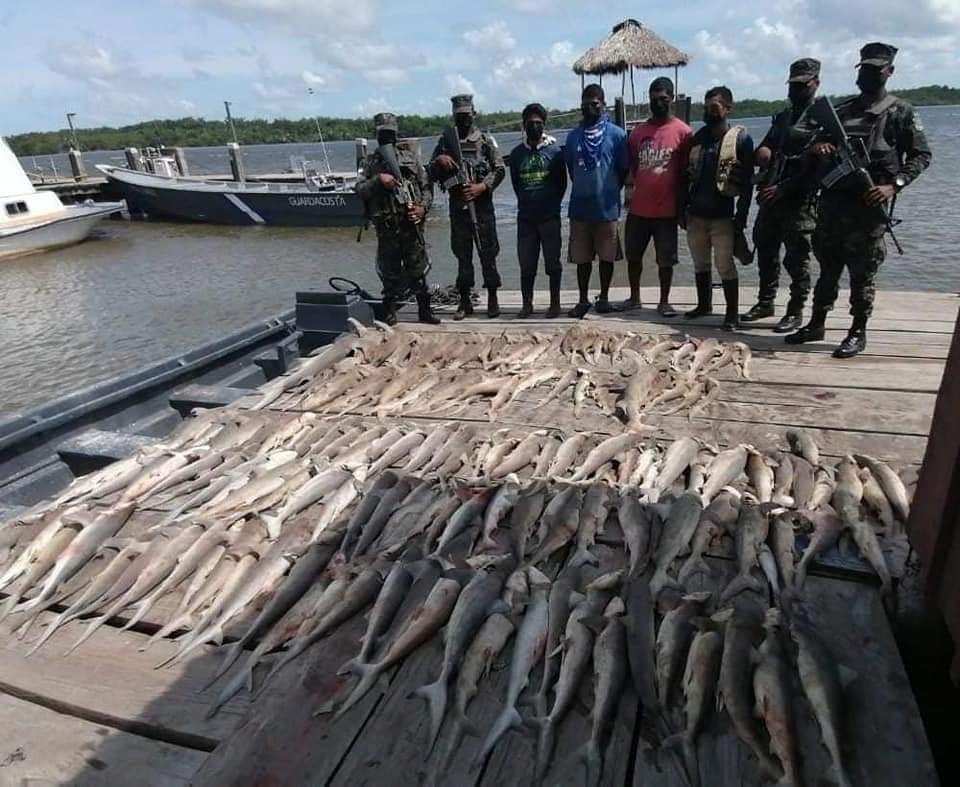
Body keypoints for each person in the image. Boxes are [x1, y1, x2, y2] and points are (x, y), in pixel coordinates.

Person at [786, 43, 932, 357]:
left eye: (874, 69)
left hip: (868, 208)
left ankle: (857, 331)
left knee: (862, 275)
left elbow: (921, 155)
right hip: (832, 206)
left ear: (889, 72)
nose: (867, 74)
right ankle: (816, 323)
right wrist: (820, 147)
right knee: (827, 270)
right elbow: (806, 139)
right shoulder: (841, 110)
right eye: (863, 68)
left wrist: (894, 185)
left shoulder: (900, 112)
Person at [742, 58, 822, 333]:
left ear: (816, 84)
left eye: (802, 85)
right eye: (793, 85)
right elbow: (767, 146)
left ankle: (796, 310)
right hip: (771, 195)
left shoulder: (823, 120)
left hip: (799, 199)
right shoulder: (784, 116)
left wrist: (784, 188)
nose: (796, 90)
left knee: (797, 258)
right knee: (765, 248)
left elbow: (818, 169)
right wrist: (761, 153)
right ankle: (766, 301)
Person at [355, 112, 439, 326]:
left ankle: (424, 312)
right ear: (376, 135)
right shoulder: (370, 162)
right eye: (383, 134)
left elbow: (427, 187)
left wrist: (422, 209)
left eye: (390, 133)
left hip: (410, 224)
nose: (387, 138)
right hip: (386, 226)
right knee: (389, 272)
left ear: (397, 134)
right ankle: (391, 313)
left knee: (418, 270)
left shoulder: (411, 159)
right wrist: (378, 180)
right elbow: (359, 189)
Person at [682, 86, 755, 331]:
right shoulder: (698, 138)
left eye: (713, 107)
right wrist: (683, 209)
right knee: (700, 263)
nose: (708, 111)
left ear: (727, 109)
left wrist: (742, 216)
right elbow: (686, 178)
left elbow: (746, 184)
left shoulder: (741, 140)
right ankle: (704, 305)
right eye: (706, 107)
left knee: (725, 265)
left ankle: (732, 314)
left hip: (723, 215)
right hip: (696, 214)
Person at [429, 94, 506, 320]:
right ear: (453, 115)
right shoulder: (445, 142)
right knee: (463, 257)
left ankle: (493, 297)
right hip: (459, 209)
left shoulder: (485, 140)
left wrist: (482, 186)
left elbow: (499, 169)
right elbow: (431, 174)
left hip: (482, 209)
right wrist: (439, 160)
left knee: (488, 254)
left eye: (466, 115)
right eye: (458, 116)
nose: (463, 119)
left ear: (474, 113)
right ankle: (464, 301)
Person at [621, 76, 692, 317]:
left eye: (663, 99)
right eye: (653, 99)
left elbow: (686, 172)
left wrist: (683, 208)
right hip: (639, 209)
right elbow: (632, 166)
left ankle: (664, 301)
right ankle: (634, 297)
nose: (658, 103)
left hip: (667, 210)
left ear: (671, 98)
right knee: (633, 255)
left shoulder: (684, 132)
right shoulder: (637, 133)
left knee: (666, 260)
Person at [563, 83, 629, 318]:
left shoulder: (618, 135)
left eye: (595, 103)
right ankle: (582, 299)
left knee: (607, 256)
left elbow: (623, 170)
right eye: (585, 104)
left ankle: (603, 297)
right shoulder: (572, 137)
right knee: (582, 259)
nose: (590, 108)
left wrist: (609, 191)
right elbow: (572, 170)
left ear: (603, 104)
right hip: (580, 209)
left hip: (607, 209)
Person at [508, 103, 567, 318]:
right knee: (527, 264)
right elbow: (516, 183)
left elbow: (562, 183)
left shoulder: (555, 152)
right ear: (523, 125)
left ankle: (555, 304)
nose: (534, 126)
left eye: (538, 123)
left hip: (549, 217)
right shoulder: (516, 154)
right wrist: (528, 201)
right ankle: (527, 304)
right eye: (530, 123)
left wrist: (551, 205)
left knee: (553, 263)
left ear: (544, 124)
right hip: (526, 218)